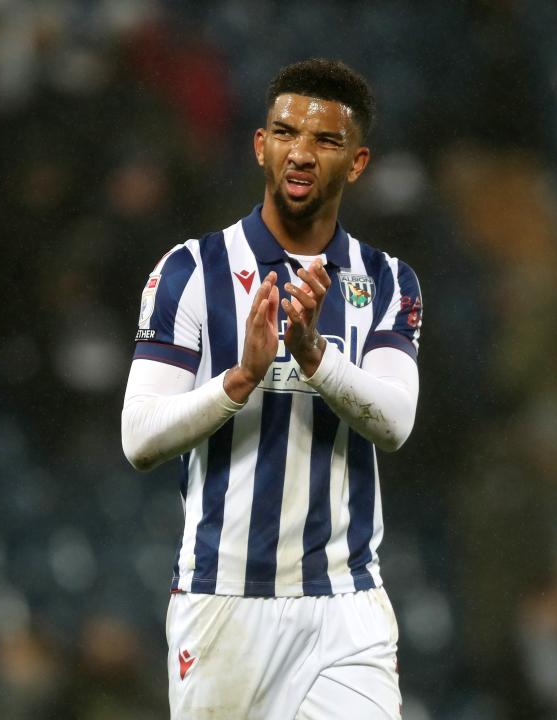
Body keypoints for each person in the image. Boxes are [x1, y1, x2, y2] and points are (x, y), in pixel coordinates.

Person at [121, 58, 422, 719]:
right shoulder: (190, 270)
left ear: (358, 162)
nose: (301, 152)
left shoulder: (388, 280)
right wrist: (241, 379)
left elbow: (396, 423)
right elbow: (139, 438)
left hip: (347, 607)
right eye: (285, 132)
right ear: (261, 146)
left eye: (325, 140)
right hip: (225, 599)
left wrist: (314, 356)